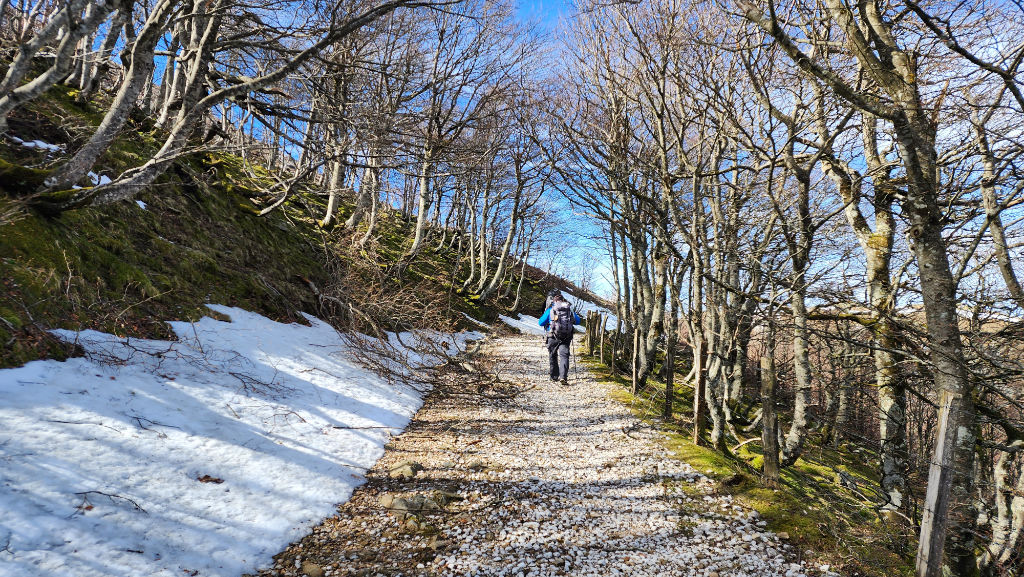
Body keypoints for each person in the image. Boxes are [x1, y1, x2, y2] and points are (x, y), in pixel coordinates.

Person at [538, 292, 581, 385]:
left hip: (552, 336)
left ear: (554, 301)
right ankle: (563, 377)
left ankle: (554, 377)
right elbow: (578, 321)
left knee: (553, 355)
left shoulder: (550, 309)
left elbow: (540, 322)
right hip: (566, 336)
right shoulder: (569, 309)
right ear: (563, 300)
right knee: (564, 356)